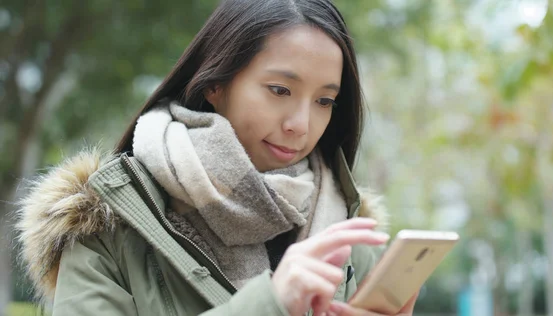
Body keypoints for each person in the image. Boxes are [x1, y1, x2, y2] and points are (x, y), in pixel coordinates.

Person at [16, 0, 417, 315]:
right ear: (217, 83)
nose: (301, 123)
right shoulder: (106, 223)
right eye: (280, 90)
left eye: (325, 100)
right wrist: (270, 304)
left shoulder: (348, 235)